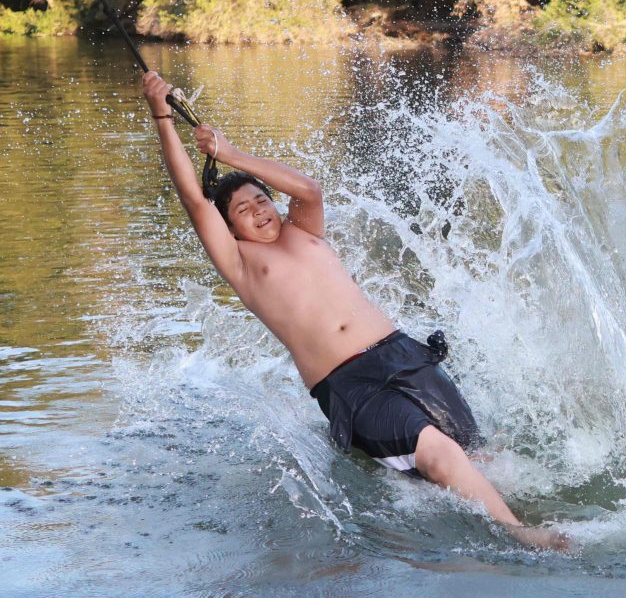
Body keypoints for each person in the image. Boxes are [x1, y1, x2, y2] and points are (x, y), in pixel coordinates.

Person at [141, 71, 566, 551]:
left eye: (262, 200)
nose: (259, 211)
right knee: (441, 455)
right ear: (230, 228)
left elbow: (308, 189)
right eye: (243, 210)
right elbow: (193, 199)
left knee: (481, 459)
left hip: (403, 356)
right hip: (351, 385)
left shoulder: (304, 230)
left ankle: (513, 514)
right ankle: (519, 535)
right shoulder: (240, 263)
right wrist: (162, 115)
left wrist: (232, 154)